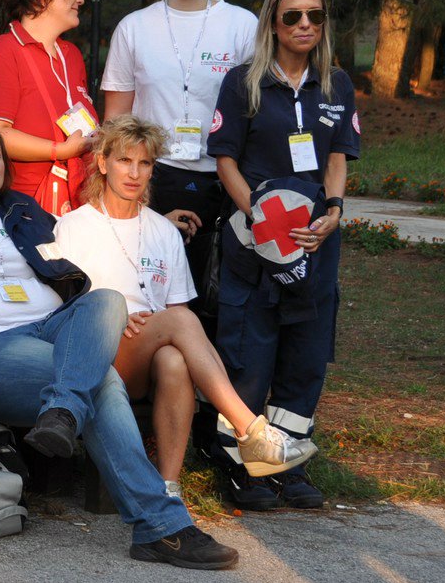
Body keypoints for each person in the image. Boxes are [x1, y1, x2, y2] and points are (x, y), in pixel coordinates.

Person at [0, 121, 238, 569]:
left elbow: (107, 233)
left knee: (107, 300)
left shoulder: (26, 213)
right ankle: (159, 524)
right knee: (102, 380)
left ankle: (65, 410)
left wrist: (155, 225)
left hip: (50, 329)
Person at [53, 116, 318, 497]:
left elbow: (178, 315)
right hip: (98, 352)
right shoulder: (74, 227)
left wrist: (156, 326)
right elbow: (62, 309)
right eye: (125, 161)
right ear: (102, 163)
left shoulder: (163, 232)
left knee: (175, 360)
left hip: (148, 354)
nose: (134, 173)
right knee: (178, 320)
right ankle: (249, 428)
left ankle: (167, 487)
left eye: (144, 164)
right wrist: (115, 315)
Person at [207, 0, 359, 511]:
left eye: (314, 16)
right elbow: (225, 158)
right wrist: (260, 215)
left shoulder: (336, 83)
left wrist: (334, 213)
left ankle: (286, 460)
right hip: (256, 241)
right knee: (250, 353)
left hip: (314, 243)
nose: (305, 26)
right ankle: (243, 465)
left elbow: (337, 156)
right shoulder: (243, 82)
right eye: (292, 16)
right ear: (272, 20)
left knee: (305, 352)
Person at [102, 0, 258, 328]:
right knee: (156, 287)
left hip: (226, 176)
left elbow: (258, 108)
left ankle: (217, 382)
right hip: (157, 177)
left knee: (221, 288)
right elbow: (116, 122)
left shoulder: (242, 25)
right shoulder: (134, 28)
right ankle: (157, 382)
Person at [0, 0, 98, 217]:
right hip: (25, 210)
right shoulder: (2, 52)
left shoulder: (72, 55)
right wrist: (60, 150)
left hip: (79, 202)